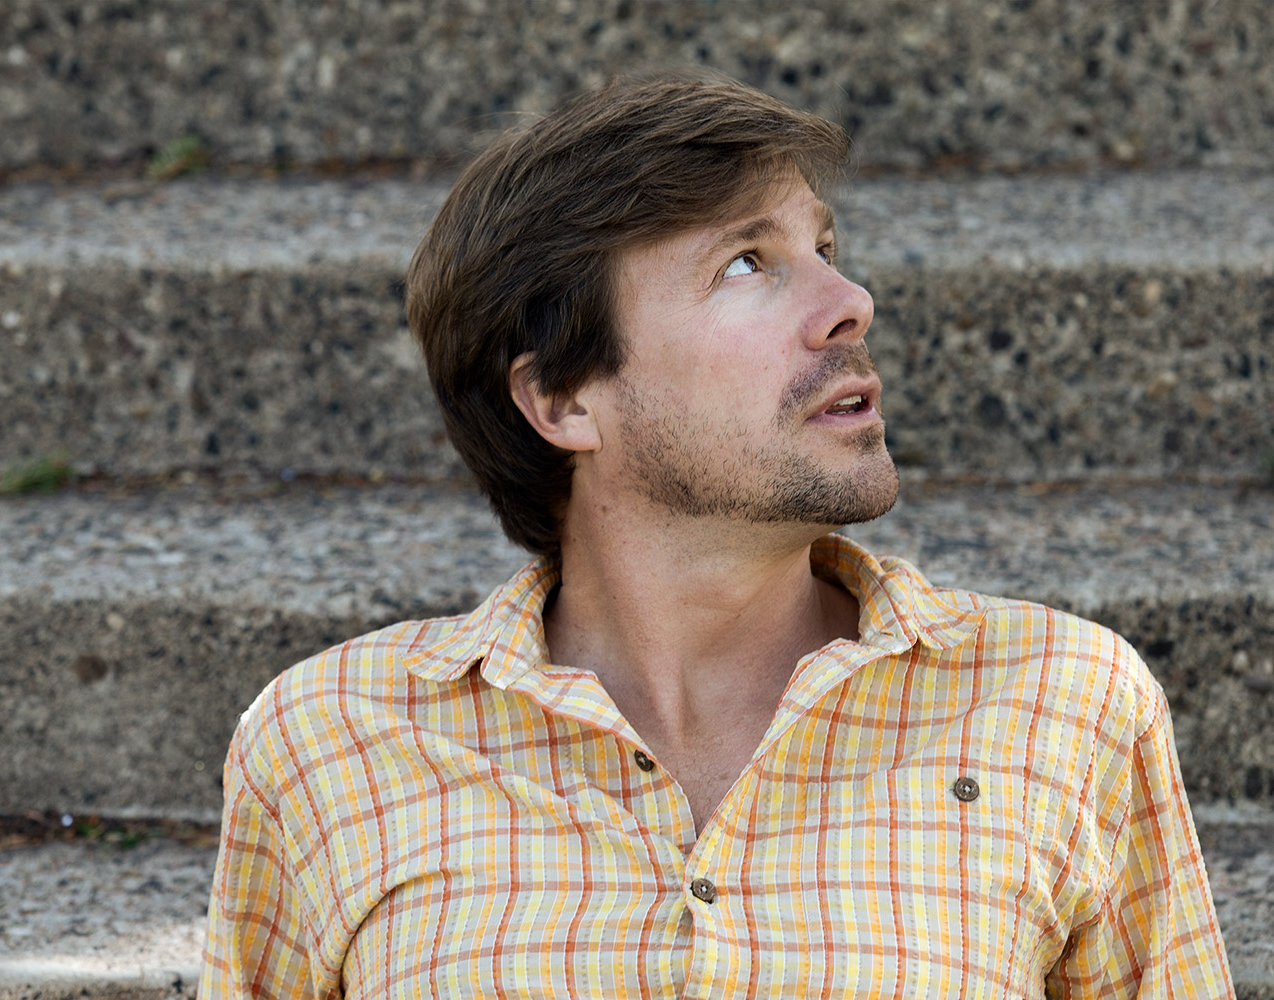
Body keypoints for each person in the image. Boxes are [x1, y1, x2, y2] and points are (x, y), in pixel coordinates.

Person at [200, 73, 1233, 998]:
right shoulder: (329, 741)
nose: (849, 304)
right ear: (562, 401)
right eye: (746, 263)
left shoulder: (1063, 700)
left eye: (824, 249)